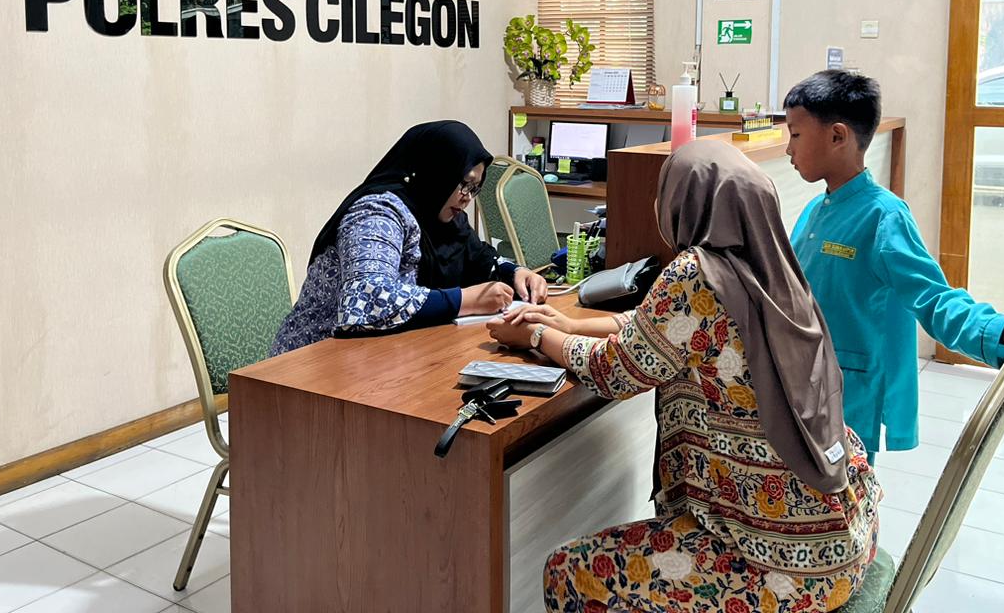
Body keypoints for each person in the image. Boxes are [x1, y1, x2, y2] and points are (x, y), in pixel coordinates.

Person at [489, 139, 881, 613]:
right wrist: (568, 326)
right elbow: (665, 328)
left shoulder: (696, 272)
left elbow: (615, 370)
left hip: (780, 567)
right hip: (842, 536)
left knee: (569, 571)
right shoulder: (773, 265)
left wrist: (534, 337)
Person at [782, 70, 1004, 461]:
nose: (789, 149)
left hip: (850, 395)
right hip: (804, 386)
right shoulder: (814, 211)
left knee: (846, 488)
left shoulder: (884, 217)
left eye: (796, 135)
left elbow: (934, 298)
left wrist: (1002, 330)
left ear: (837, 136)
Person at [270, 120, 549, 354]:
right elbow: (366, 298)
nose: (466, 197)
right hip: (312, 362)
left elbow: (479, 257)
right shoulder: (378, 214)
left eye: (475, 188)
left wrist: (515, 273)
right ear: (437, 173)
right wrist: (465, 300)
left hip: (387, 355)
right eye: (463, 183)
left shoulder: (445, 218)